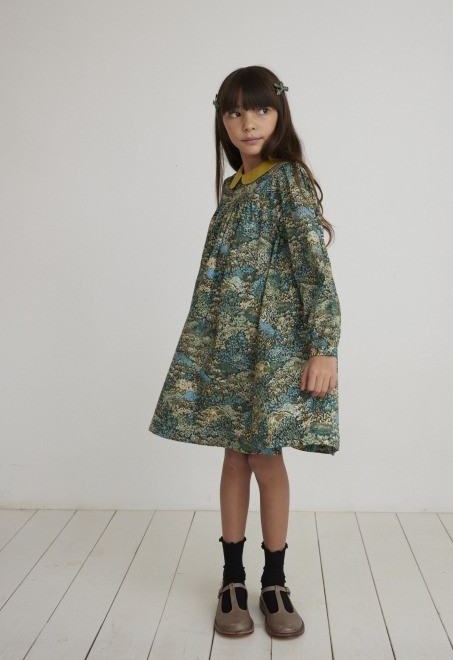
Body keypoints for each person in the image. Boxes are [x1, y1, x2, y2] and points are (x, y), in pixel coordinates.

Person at [148, 64, 341, 639]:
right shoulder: (233, 190)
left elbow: (314, 269)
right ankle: (232, 579)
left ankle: (274, 582)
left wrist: (323, 347)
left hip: (274, 347)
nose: (248, 122)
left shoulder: (288, 181)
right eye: (234, 112)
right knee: (234, 456)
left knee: (266, 458)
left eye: (259, 109)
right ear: (222, 121)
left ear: (279, 114)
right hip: (228, 348)